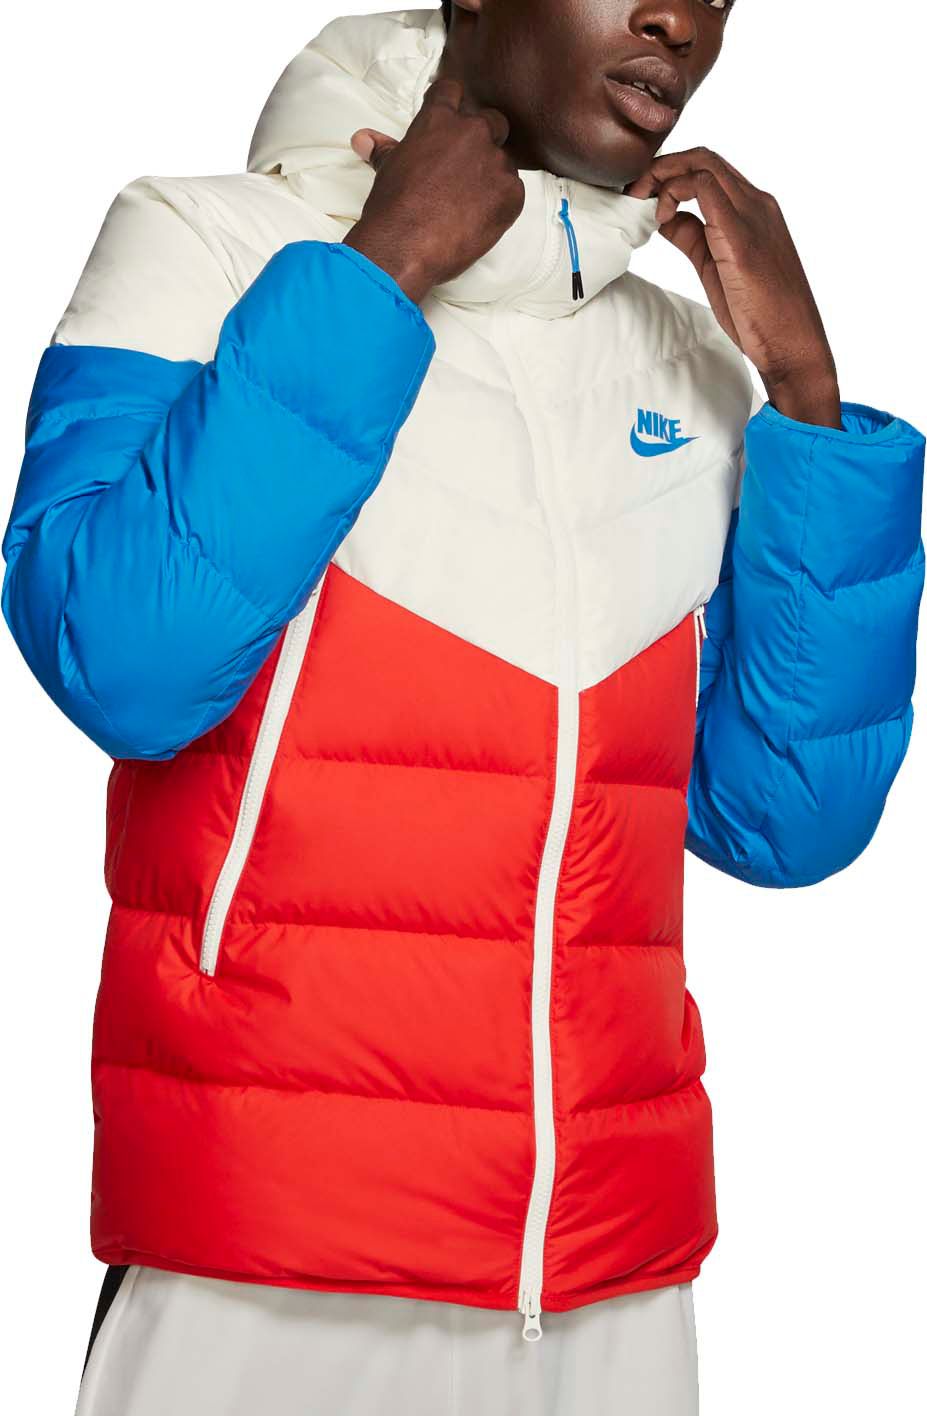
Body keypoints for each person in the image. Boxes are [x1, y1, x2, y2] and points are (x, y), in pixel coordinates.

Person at [4, 4, 924, 1414]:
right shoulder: (207, 246)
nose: (680, 21)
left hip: (606, 1280)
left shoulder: (682, 360)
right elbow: (123, 661)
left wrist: (805, 398)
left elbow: (785, 819)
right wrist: (379, 272)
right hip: (268, 1255)